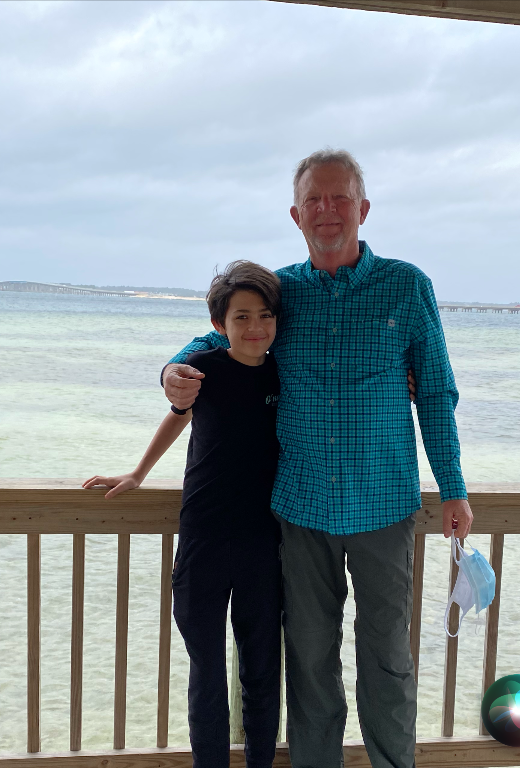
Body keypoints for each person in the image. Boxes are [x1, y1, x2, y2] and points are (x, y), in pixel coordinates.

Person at [161, 149, 474, 768]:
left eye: (339, 198)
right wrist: (172, 369)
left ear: (362, 208)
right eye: (314, 200)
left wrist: (455, 488)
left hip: (384, 506)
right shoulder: (283, 292)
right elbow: (221, 333)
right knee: (308, 665)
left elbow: (435, 392)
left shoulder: (408, 286)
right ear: (296, 214)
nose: (326, 211)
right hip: (299, 510)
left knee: (387, 663)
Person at [83, 261, 283, 768]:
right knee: (207, 672)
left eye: (264, 316)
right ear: (220, 324)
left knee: (261, 670)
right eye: (241, 317)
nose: (255, 327)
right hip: (203, 538)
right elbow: (177, 417)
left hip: (265, 542)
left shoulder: (287, 372)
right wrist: (137, 474)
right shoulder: (205, 367)